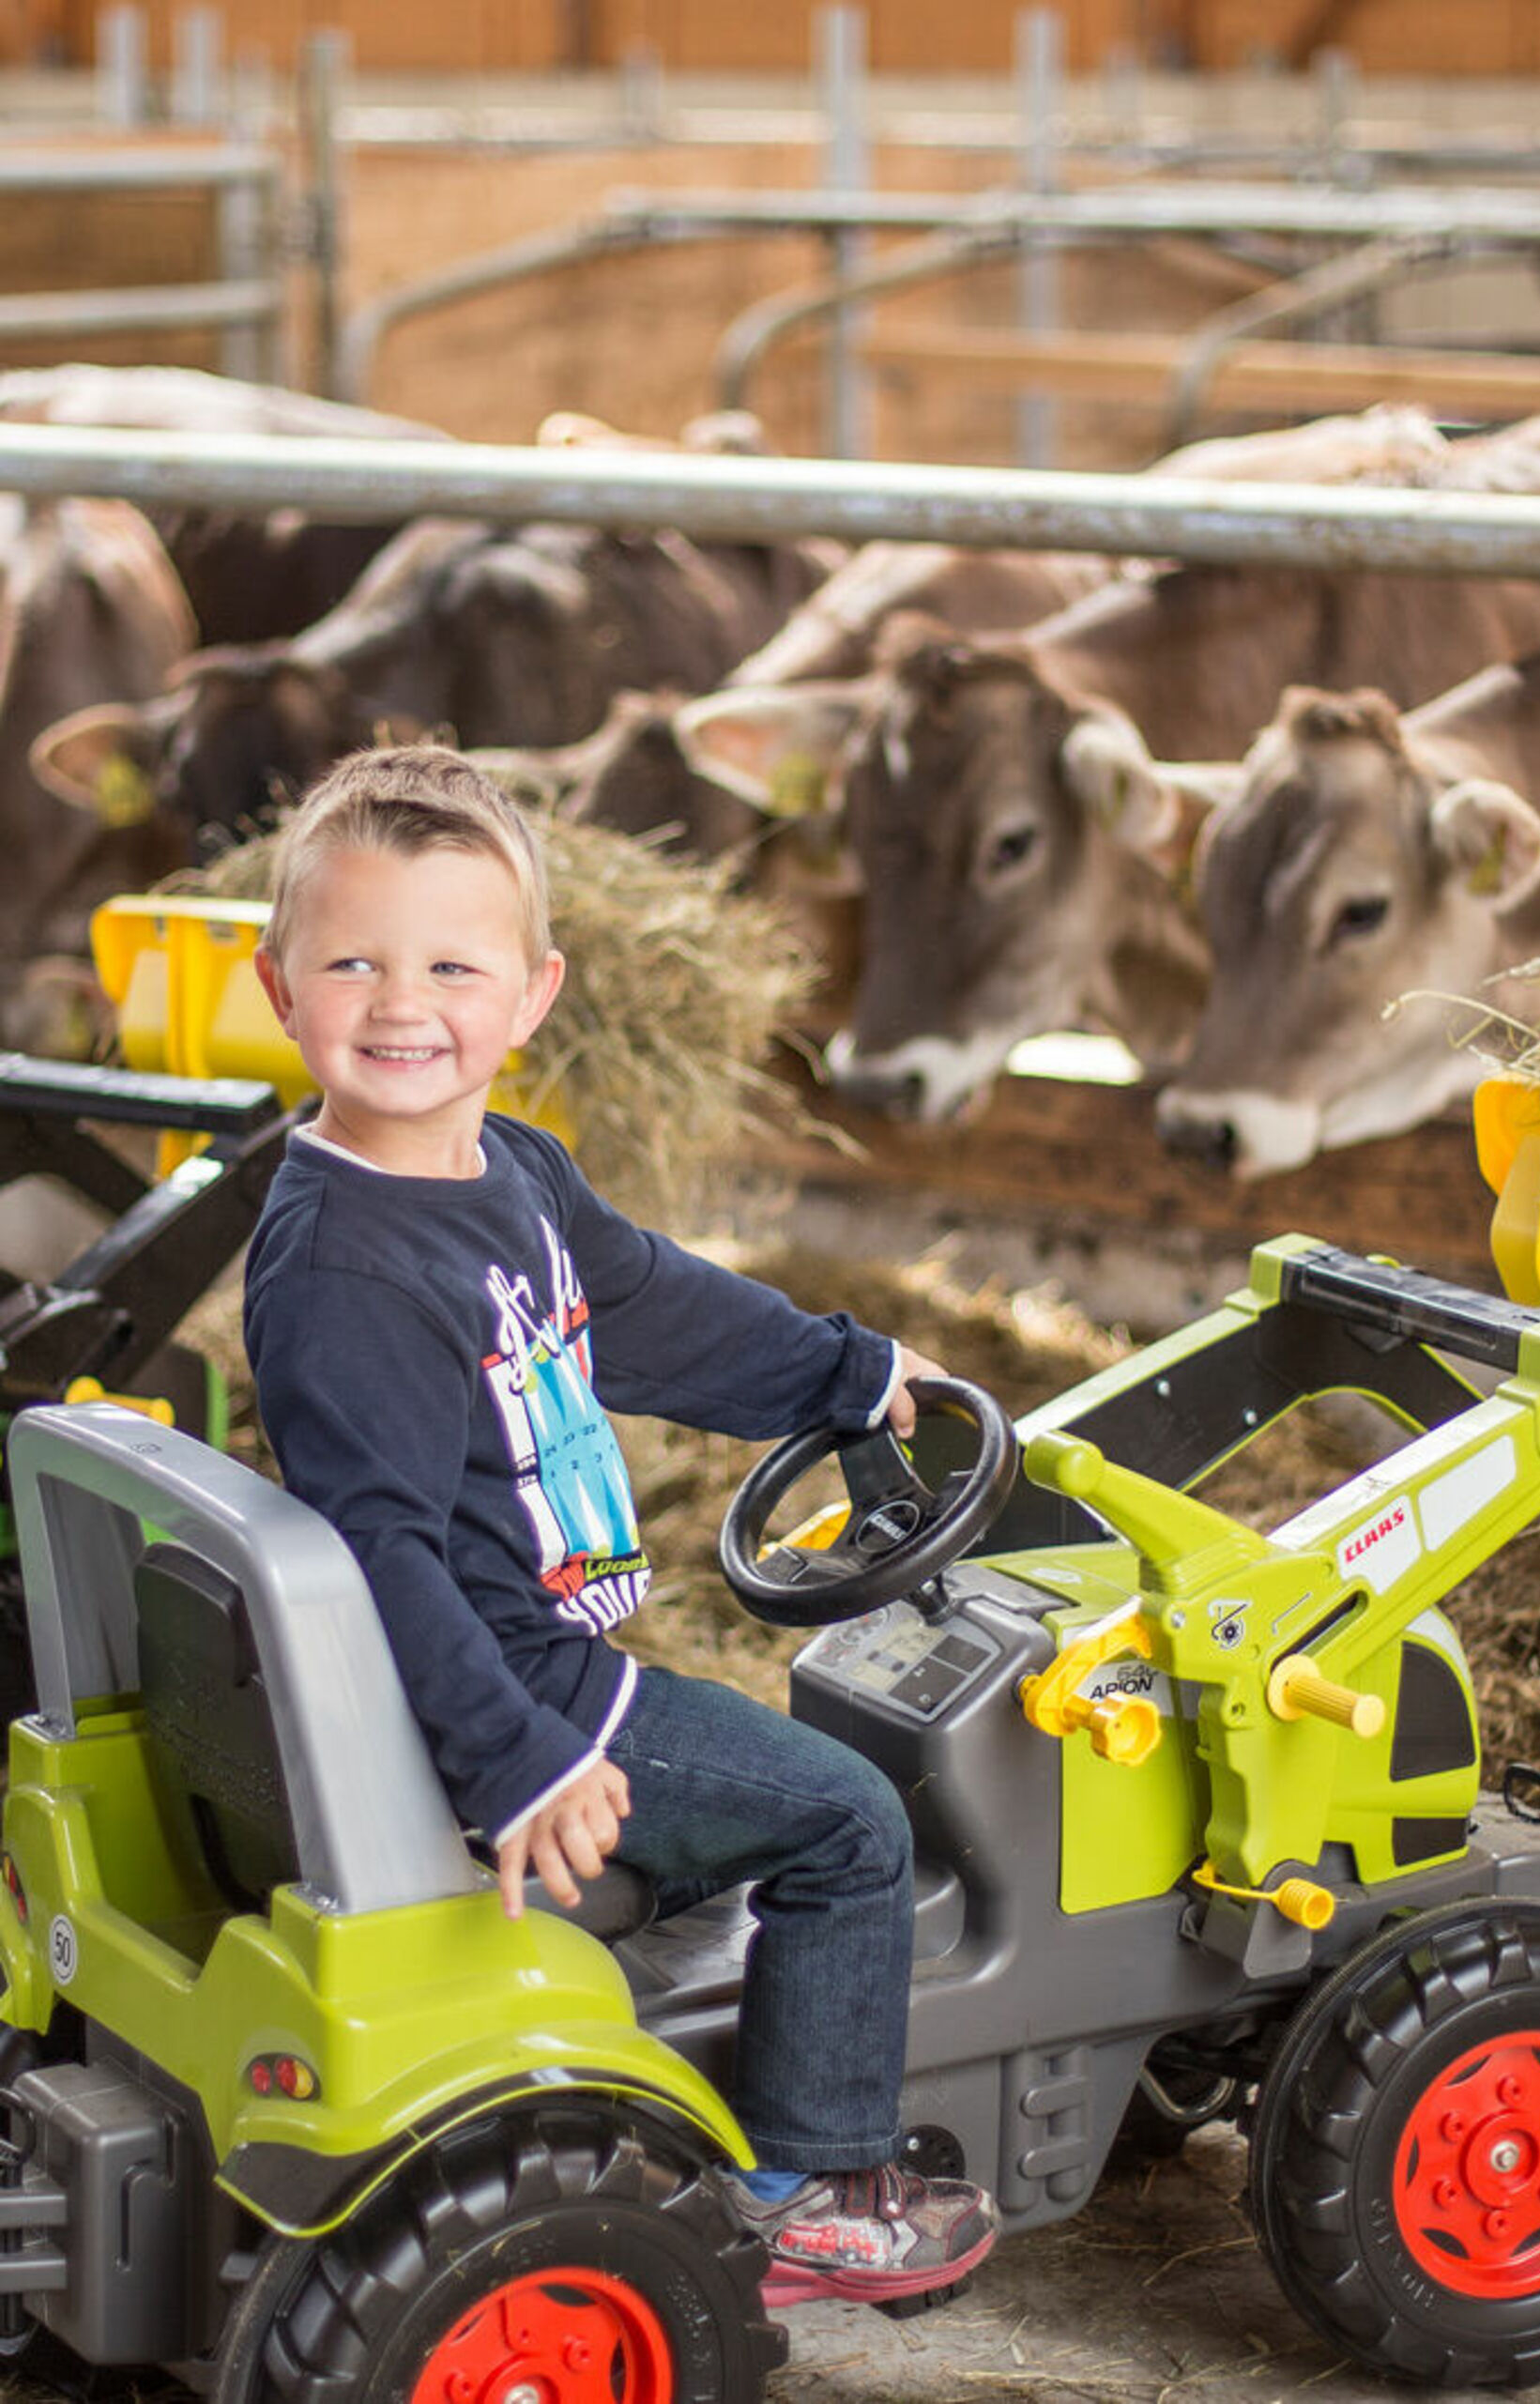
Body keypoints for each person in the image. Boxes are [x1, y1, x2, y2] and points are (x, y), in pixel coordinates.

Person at [242, 743, 998, 2310]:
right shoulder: (347, 1272)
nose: (402, 1002)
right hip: (522, 1693)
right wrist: (518, 1759)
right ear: (277, 986)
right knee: (850, 1820)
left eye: (452, 962)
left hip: (530, 1659)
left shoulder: (506, 1169)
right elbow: (380, 1549)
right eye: (354, 961)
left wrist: (849, 1369)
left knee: (769, 1771)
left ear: (531, 996)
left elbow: (647, 1307)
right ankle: (814, 2185)